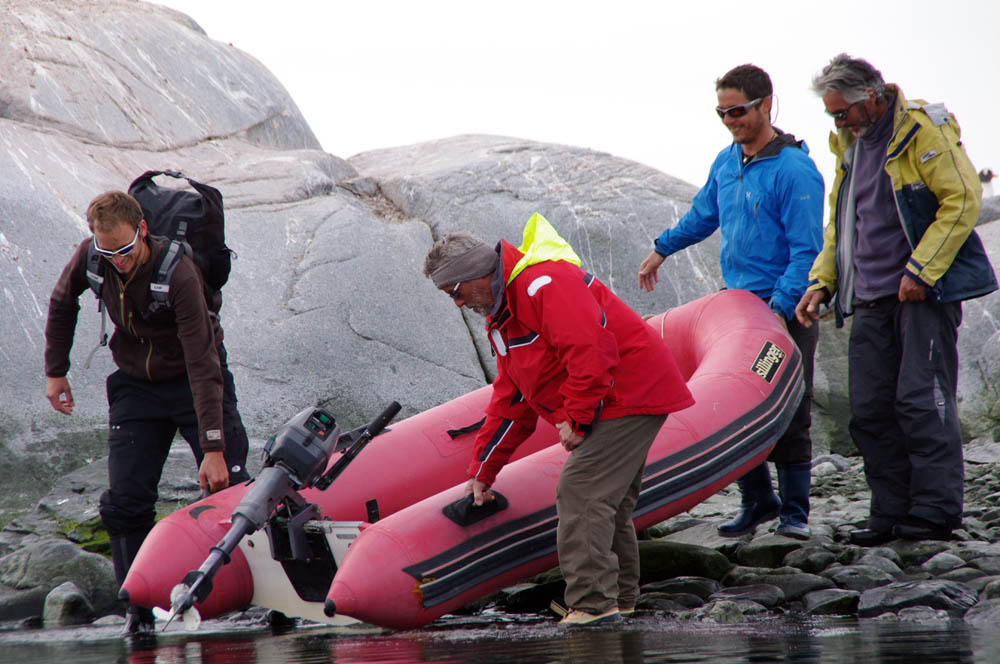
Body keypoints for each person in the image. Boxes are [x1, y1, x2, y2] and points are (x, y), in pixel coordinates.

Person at [424, 213, 694, 626]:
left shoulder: (543, 283)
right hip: (611, 398)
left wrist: (578, 420)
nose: (459, 304)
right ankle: (620, 601)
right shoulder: (503, 316)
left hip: (630, 392)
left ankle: (592, 607)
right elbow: (512, 398)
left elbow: (591, 349)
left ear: (476, 272)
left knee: (580, 491)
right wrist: (482, 471)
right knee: (609, 501)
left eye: (455, 292)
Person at [796, 54, 997, 545]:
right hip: (869, 297)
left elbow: (963, 199)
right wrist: (822, 281)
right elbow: (842, 225)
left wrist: (920, 270)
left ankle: (933, 512)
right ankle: (888, 512)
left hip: (920, 294)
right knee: (869, 408)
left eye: (842, 112)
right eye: (832, 115)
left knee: (921, 400)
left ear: (871, 96)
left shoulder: (922, 129)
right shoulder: (849, 146)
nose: (838, 122)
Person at [44, 191, 252, 632]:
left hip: (193, 379)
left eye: (124, 250)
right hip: (136, 385)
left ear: (141, 230)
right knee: (124, 502)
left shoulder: (178, 273)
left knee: (231, 487)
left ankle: (262, 599)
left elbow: (203, 361)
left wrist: (213, 447)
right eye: (107, 252)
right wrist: (55, 371)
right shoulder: (92, 256)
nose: (117, 261)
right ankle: (136, 613)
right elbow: (62, 302)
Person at [638, 64, 824, 540]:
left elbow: (806, 251)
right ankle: (758, 500)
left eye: (737, 111)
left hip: (785, 311)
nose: (729, 121)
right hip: (736, 310)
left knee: (791, 407)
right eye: (721, 113)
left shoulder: (795, 169)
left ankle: (796, 513)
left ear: (766, 104)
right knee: (733, 405)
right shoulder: (726, 161)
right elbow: (704, 214)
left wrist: (778, 309)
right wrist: (661, 249)